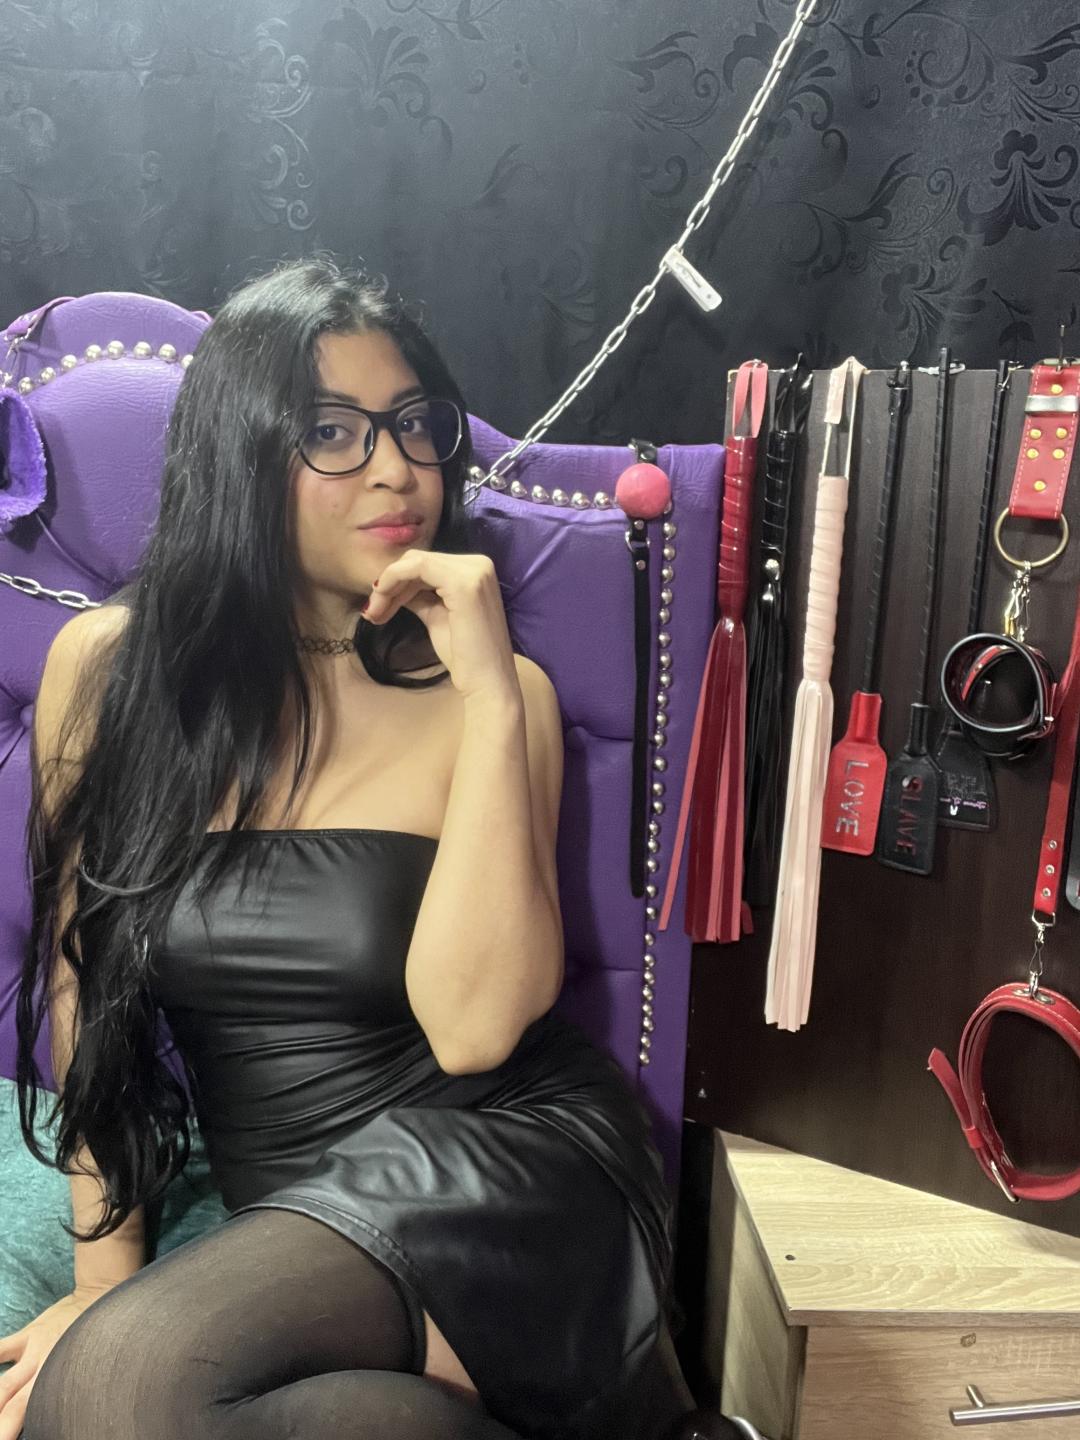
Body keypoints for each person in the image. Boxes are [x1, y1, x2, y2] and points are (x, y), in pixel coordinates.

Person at [0, 256, 701, 1440]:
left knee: (123, 1384)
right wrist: (99, 1288)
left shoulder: (501, 696)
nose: (397, 468)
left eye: (415, 426)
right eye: (332, 432)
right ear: (240, 453)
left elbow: (475, 1030)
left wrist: (490, 697)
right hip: (301, 1220)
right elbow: (87, 993)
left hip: (507, 1171)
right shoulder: (109, 676)